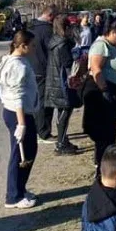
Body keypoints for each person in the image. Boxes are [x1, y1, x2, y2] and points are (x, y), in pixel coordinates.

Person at [0, 30, 39, 209]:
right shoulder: (17, 66)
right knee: (21, 153)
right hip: (18, 114)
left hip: (17, 112)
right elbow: (17, 95)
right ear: (23, 45)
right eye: (31, 45)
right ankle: (13, 196)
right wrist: (21, 123)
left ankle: (20, 188)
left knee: (28, 150)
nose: (33, 48)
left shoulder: (14, 60)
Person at [83, 21, 116, 172]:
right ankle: (102, 168)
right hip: (104, 94)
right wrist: (105, 90)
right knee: (104, 134)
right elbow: (96, 68)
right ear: (113, 31)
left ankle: (105, 166)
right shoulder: (101, 45)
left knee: (109, 133)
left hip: (115, 92)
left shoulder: (112, 46)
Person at [45, 15, 80, 156]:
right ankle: (60, 143)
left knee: (61, 112)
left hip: (54, 80)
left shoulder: (54, 40)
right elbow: (67, 63)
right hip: (62, 81)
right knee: (65, 112)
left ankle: (63, 140)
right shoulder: (63, 43)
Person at [30, 4, 58, 143]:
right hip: (44, 69)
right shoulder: (47, 30)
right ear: (50, 16)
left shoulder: (31, 27)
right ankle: (43, 133)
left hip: (32, 68)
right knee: (45, 102)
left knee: (37, 101)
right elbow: (52, 50)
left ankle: (37, 129)